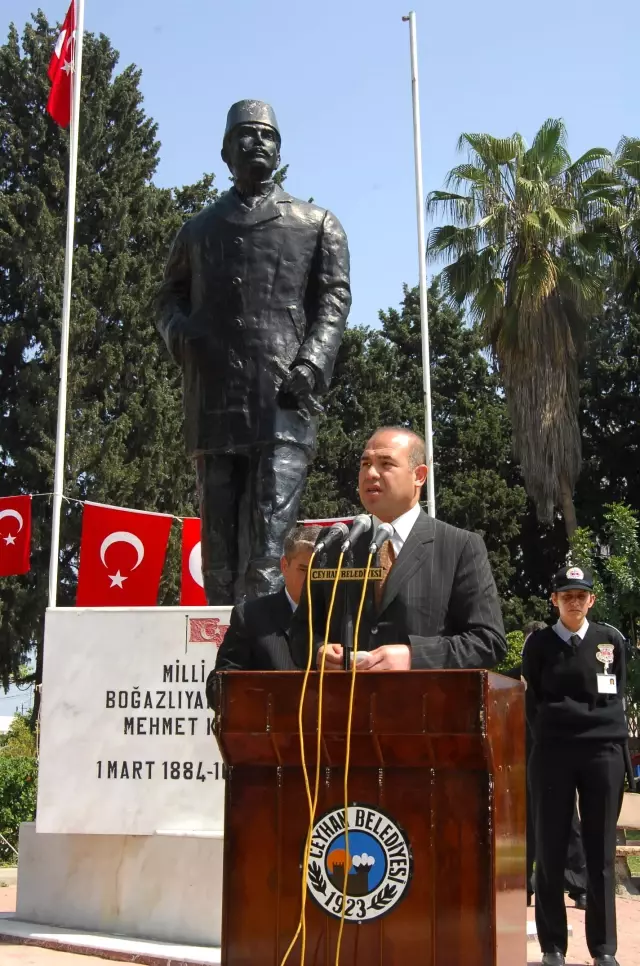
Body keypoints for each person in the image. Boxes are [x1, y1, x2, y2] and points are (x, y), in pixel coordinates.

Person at [156, 100, 351, 605]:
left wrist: (311, 361)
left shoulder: (316, 223)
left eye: (267, 134)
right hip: (214, 399)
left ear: (280, 150)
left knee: (268, 551)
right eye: (245, 134)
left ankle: (261, 667)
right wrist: (181, 334)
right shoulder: (198, 230)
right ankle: (220, 660)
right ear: (225, 152)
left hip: (283, 398)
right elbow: (166, 295)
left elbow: (334, 298)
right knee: (218, 555)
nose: (257, 142)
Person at [289, 426, 506, 671]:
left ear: (419, 475)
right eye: (365, 464)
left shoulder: (459, 547)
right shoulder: (335, 543)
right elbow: (299, 632)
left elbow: (489, 642)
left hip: (425, 704)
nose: (371, 473)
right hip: (342, 704)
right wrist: (318, 650)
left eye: (386, 464)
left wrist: (414, 656)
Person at [522, 565, 628, 966]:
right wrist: (555, 729)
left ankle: (603, 950)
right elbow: (532, 704)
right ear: (554, 600)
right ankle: (553, 948)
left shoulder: (609, 640)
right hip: (553, 754)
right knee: (549, 850)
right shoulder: (539, 645)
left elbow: (615, 693)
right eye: (566, 595)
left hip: (603, 754)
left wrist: (591, 725)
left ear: (591, 600)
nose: (574, 602)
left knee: (600, 854)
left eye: (580, 595)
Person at [504, 621, 587, 908]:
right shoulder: (507, 681)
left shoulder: (558, 672)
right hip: (521, 758)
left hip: (559, 754)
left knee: (570, 821)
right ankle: (523, 885)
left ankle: (578, 885)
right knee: (523, 822)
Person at [206, 525, 321, 707]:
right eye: (304, 570)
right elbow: (218, 688)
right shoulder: (251, 617)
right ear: (284, 565)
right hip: (271, 729)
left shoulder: (343, 617)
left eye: (319, 572)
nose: (312, 580)